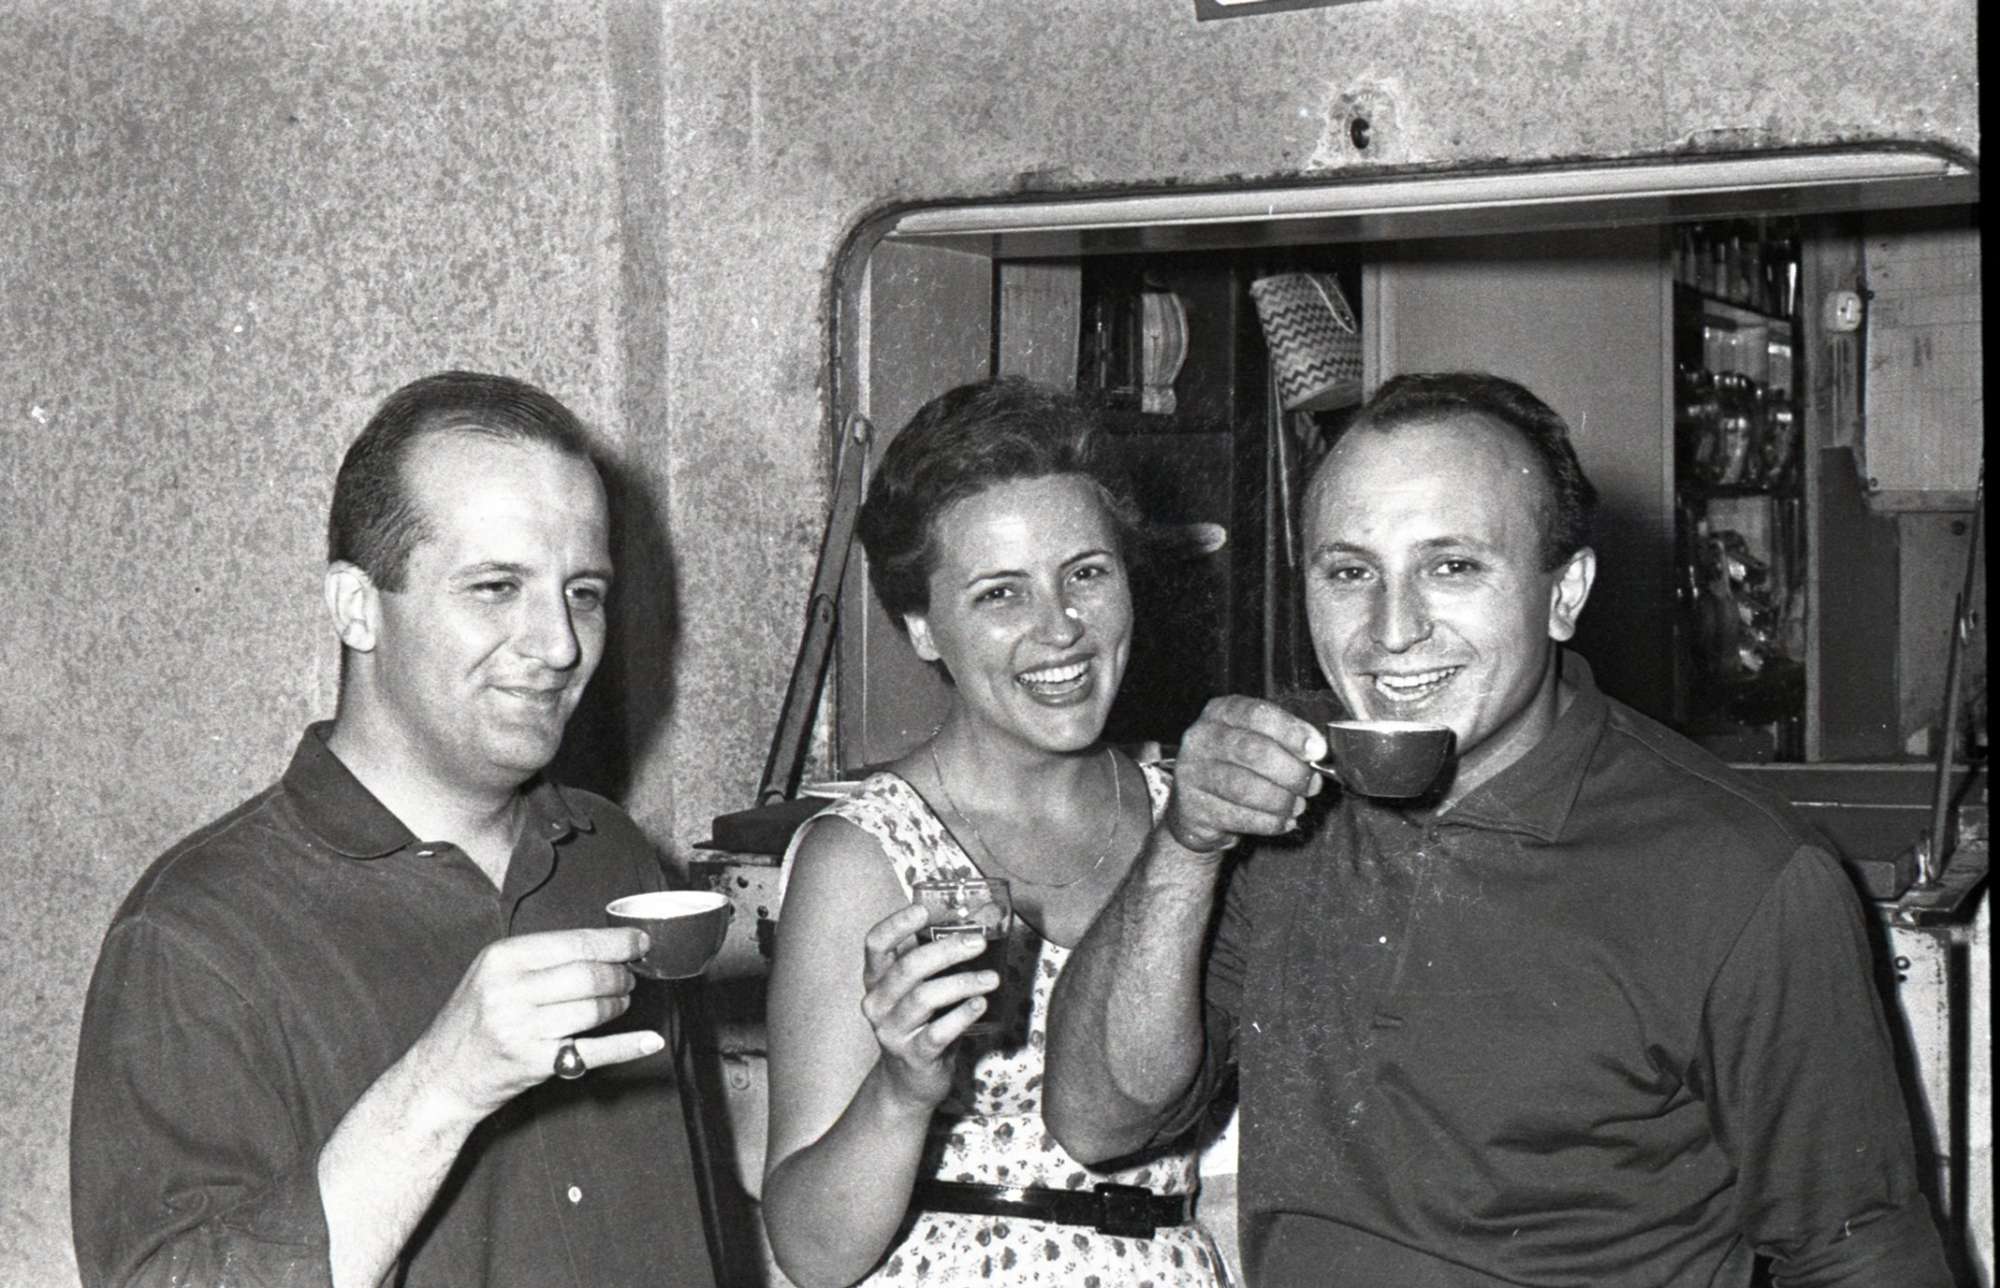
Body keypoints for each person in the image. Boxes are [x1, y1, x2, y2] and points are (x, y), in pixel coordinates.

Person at [1045, 371, 1955, 1286]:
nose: (1391, 631)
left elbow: (1863, 1258)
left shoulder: (1741, 872)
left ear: (1566, 594)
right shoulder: (1284, 804)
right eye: (1351, 572)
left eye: (1452, 567)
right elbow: (1097, 1120)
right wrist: (1188, 840)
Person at [70, 371, 717, 1288]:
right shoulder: (196, 936)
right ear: (357, 607)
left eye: (583, 592)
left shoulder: (610, 854)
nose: (560, 645)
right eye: (496, 586)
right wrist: (442, 1087)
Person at [762, 378, 1231, 1287]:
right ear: (921, 628)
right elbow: (812, 1254)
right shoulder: (866, 854)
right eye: (1000, 594)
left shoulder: (1194, 821)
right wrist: (901, 1090)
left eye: (1086, 573)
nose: (1060, 630)